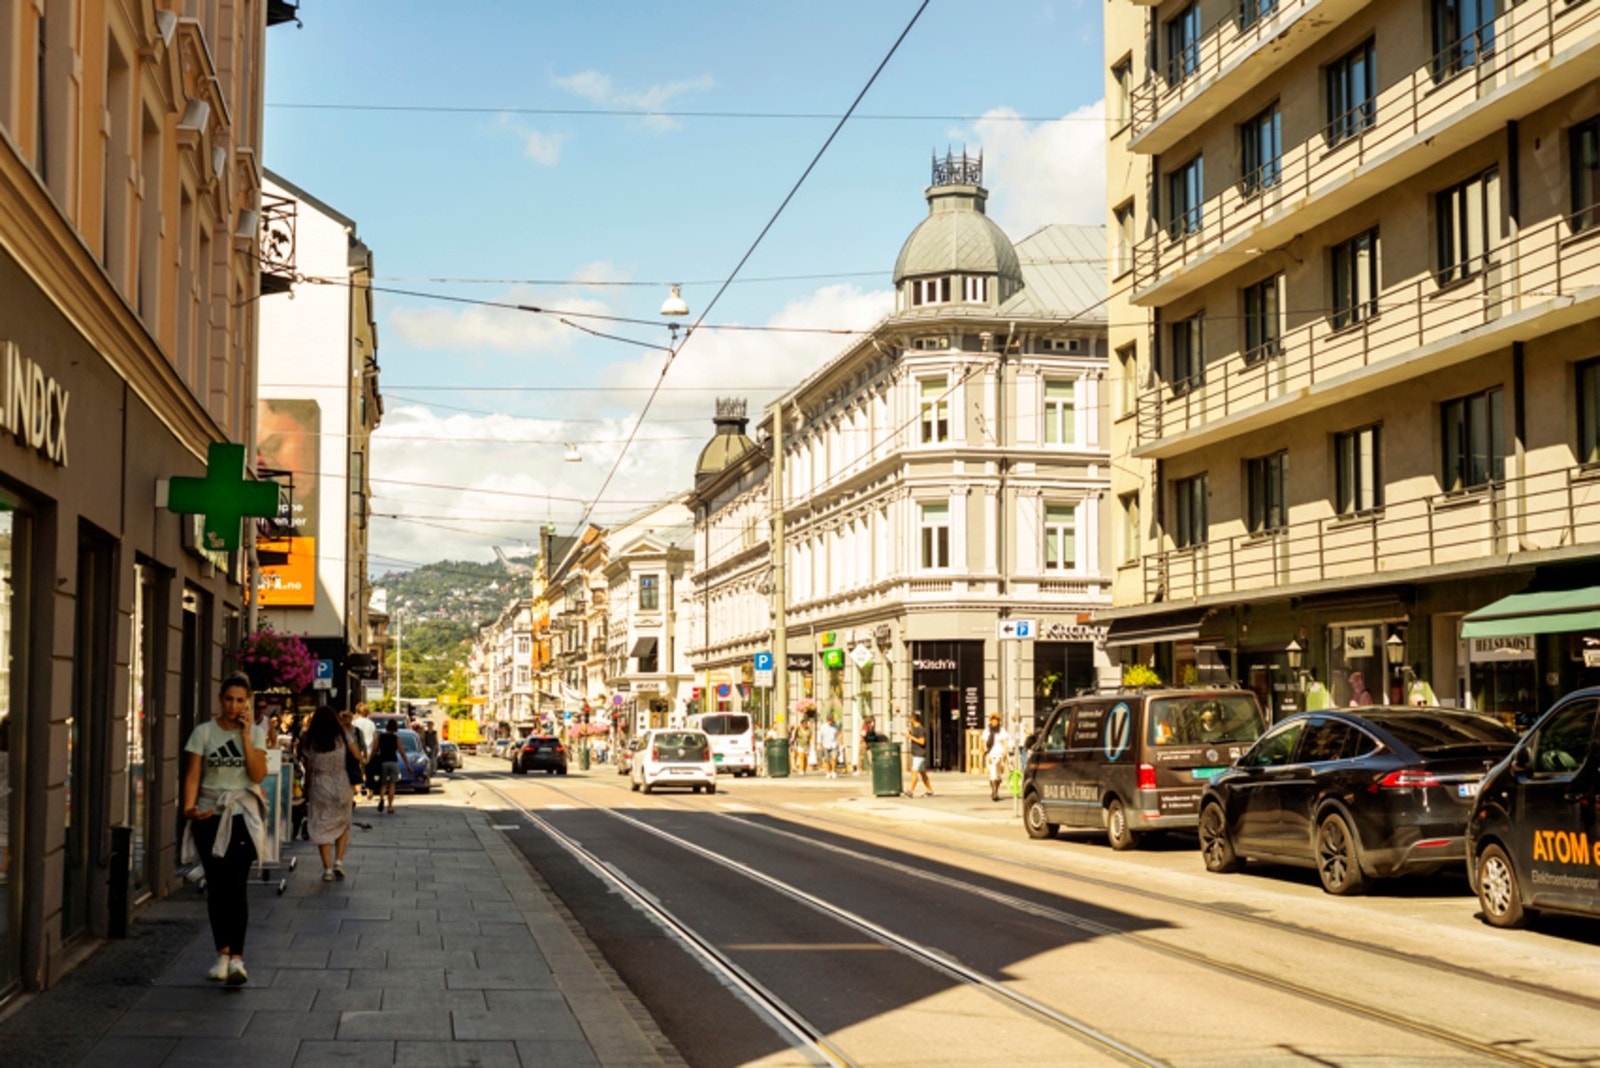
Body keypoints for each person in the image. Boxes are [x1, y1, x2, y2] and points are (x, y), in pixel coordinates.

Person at [181, 671, 267, 986]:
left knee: (237, 886)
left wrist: (245, 737)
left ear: (248, 703)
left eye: (240, 700)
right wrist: (188, 807)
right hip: (209, 814)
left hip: (241, 814)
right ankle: (222, 953)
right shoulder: (203, 733)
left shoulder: (255, 734)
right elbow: (193, 773)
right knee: (216, 887)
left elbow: (257, 775)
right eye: (229, 699)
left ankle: (238, 959)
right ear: (220, 700)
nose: (234, 706)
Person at [301, 705, 364, 880]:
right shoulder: (342, 736)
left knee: (322, 825)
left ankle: (327, 869)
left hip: (321, 785)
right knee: (343, 823)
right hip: (342, 783)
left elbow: (309, 766)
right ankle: (339, 862)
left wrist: (307, 787)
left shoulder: (310, 739)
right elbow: (357, 756)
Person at [374, 720, 412, 813]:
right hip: (393, 762)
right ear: (395, 727)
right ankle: (390, 807)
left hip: (383, 762)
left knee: (383, 784)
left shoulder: (380, 737)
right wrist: (408, 765)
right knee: (392, 784)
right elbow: (402, 752)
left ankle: (382, 799)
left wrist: (369, 760)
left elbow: (374, 749)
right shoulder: (396, 738)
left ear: (387, 727)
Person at [981, 712, 1012, 803]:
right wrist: (986, 754)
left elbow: (1005, 741)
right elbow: (984, 743)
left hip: (1000, 754)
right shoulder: (987, 731)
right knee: (993, 772)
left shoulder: (1002, 730)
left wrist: (1006, 751)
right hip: (991, 754)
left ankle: (996, 788)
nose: (994, 722)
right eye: (993, 720)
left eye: (996, 720)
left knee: (998, 774)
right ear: (990, 721)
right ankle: (994, 792)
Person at [905, 709, 933, 797]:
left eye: (910, 717)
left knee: (914, 771)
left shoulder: (920, 729)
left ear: (914, 718)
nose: (909, 719)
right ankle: (929, 790)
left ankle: (911, 790)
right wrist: (910, 733)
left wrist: (910, 737)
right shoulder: (915, 728)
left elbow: (922, 741)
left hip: (919, 754)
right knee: (923, 773)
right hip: (916, 753)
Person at [818, 714, 840, 779]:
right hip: (825, 744)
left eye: (831, 720)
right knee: (826, 759)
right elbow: (820, 735)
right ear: (827, 720)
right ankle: (828, 772)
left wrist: (839, 743)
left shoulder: (836, 726)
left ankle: (833, 771)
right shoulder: (823, 726)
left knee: (834, 758)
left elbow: (838, 735)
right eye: (829, 720)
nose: (830, 721)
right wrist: (819, 744)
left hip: (833, 744)